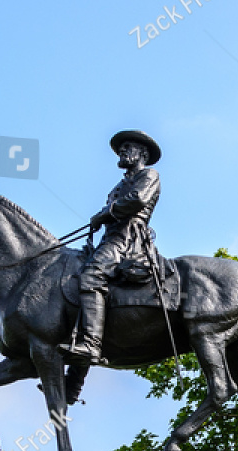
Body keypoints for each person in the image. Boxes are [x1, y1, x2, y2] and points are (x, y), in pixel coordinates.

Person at [60, 130, 162, 363]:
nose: (122, 151)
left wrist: (105, 213)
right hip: (111, 238)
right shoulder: (119, 184)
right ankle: (74, 382)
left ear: (142, 153)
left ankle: (92, 345)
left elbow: (137, 200)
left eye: (127, 147)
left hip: (127, 239)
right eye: (120, 148)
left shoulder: (149, 175)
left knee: (90, 276)